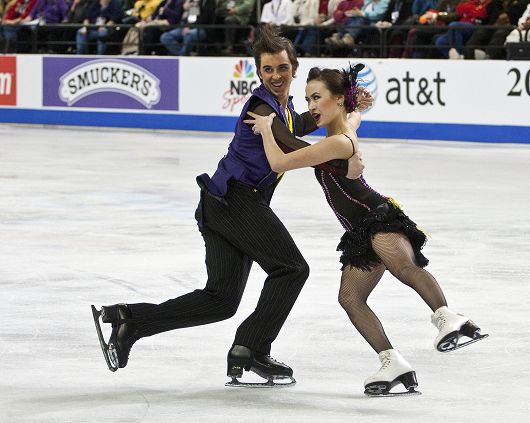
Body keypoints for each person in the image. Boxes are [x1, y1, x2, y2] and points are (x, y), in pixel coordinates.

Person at [91, 25, 366, 387]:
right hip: (235, 200)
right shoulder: (261, 106)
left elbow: (296, 122)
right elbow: (289, 141)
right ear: (259, 72)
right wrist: (344, 157)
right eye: (267, 69)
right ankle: (251, 348)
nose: (276, 76)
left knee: (221, 299)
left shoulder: (282, 107)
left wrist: (347, 102)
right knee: (292, 269)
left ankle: (131, 320)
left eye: (282, 68)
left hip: (219, 204)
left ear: (294, 68)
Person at [244, 63, 488, 396]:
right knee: (351, 298)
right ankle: (392, 362)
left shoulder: (338, 143)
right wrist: (358, 106)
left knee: (402, 266)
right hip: (360, 231)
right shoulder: (343, 131)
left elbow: (280, 162)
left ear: (336, 100)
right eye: (308, 99)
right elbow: (354, 117)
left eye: (317, 98)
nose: (311, 106)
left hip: (376, 217)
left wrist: (269, 129)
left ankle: (448, 317)